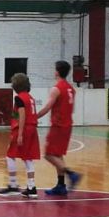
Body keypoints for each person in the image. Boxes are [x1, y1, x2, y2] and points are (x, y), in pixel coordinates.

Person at [36, 61, 81, 195]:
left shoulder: (56, 89)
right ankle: (61, 185)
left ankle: (71, 174)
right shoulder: (71, 89)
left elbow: (47, 107)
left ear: (57, 71)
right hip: (67, 125)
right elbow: (71, 108)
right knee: (57, 155)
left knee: (48, 155)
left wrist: (34, 117)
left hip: (58, 126)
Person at [0, 73, 40, 199]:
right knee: (28, 158)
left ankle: (13, 185)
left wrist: (20, 134)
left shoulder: (19, 98)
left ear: (16, 85)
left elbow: (22, 116)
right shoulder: (30, 98)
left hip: (23, 129)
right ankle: (31, 188)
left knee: (10, 156)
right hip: (32, 129)